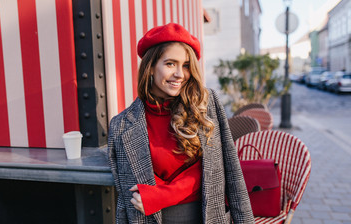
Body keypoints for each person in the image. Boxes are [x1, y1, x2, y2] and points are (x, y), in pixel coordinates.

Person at [108, 23, 254, 224]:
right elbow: (126, 198)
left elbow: (228, 169)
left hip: (205, 216)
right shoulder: (121, 125)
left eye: (186, 65)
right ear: (150, 67)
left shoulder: (205, 103)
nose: (180, 74)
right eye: (170, 64)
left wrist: (161, 195)